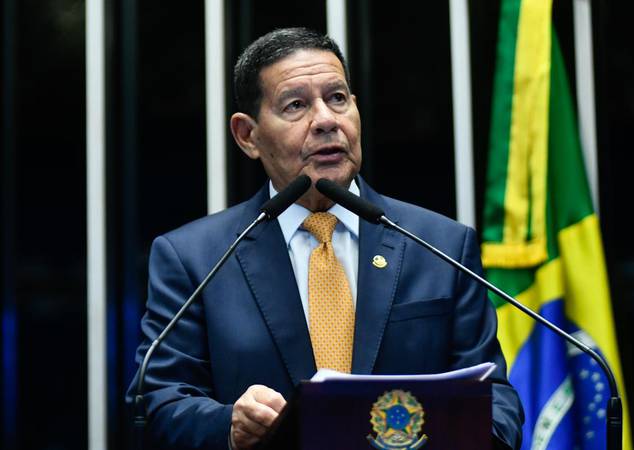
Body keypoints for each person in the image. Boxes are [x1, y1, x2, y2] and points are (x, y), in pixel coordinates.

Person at [128, 27, 524, 449]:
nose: (326, 120)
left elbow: (496, 402)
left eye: (337, 98)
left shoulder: (441, 246)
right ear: (248, 136)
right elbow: (157, 401)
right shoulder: (195, 258)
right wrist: (228, 425)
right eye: (296, 105)